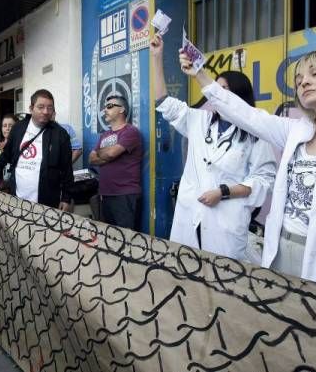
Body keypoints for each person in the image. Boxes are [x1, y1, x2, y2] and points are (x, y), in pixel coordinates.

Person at [180, 48, 316, 293]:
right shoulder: (296, 130)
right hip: (281, 251)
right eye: (298, 81)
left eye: (315, 73)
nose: (304, 81)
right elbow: (246, 115)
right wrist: (200, 75)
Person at [150, 35, 276, 260]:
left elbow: (264, 180)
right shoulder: (200, 121)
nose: (213, 94)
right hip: (190, 216)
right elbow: (164, 104)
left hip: (225, 222)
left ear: (238, 96)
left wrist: (224, 192)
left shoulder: (256, 134)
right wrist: (157, 57)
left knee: (223, 282)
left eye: (222, 90)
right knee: (186, 275)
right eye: (213, 89)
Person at [0, 89, 73, 211]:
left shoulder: (60, 135)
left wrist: (66, 198)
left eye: (50, 108)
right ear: (31, 108)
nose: (45, 111)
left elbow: (67, 169)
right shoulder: (18, 128)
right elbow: (5, 156)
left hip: (46, 203)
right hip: (17, 200)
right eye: (41, 107)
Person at [89, 94, 143, 231]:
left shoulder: (131, 132)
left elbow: (111, 153)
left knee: (126, 239)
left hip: (124, 195)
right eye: (105, 107)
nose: (105, 110)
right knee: (109, 238)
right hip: (105, 194)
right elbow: (91, 158)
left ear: (121, 109)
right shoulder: (105, 135)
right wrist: (108, 154)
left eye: (109, 106)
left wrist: (104, 153)